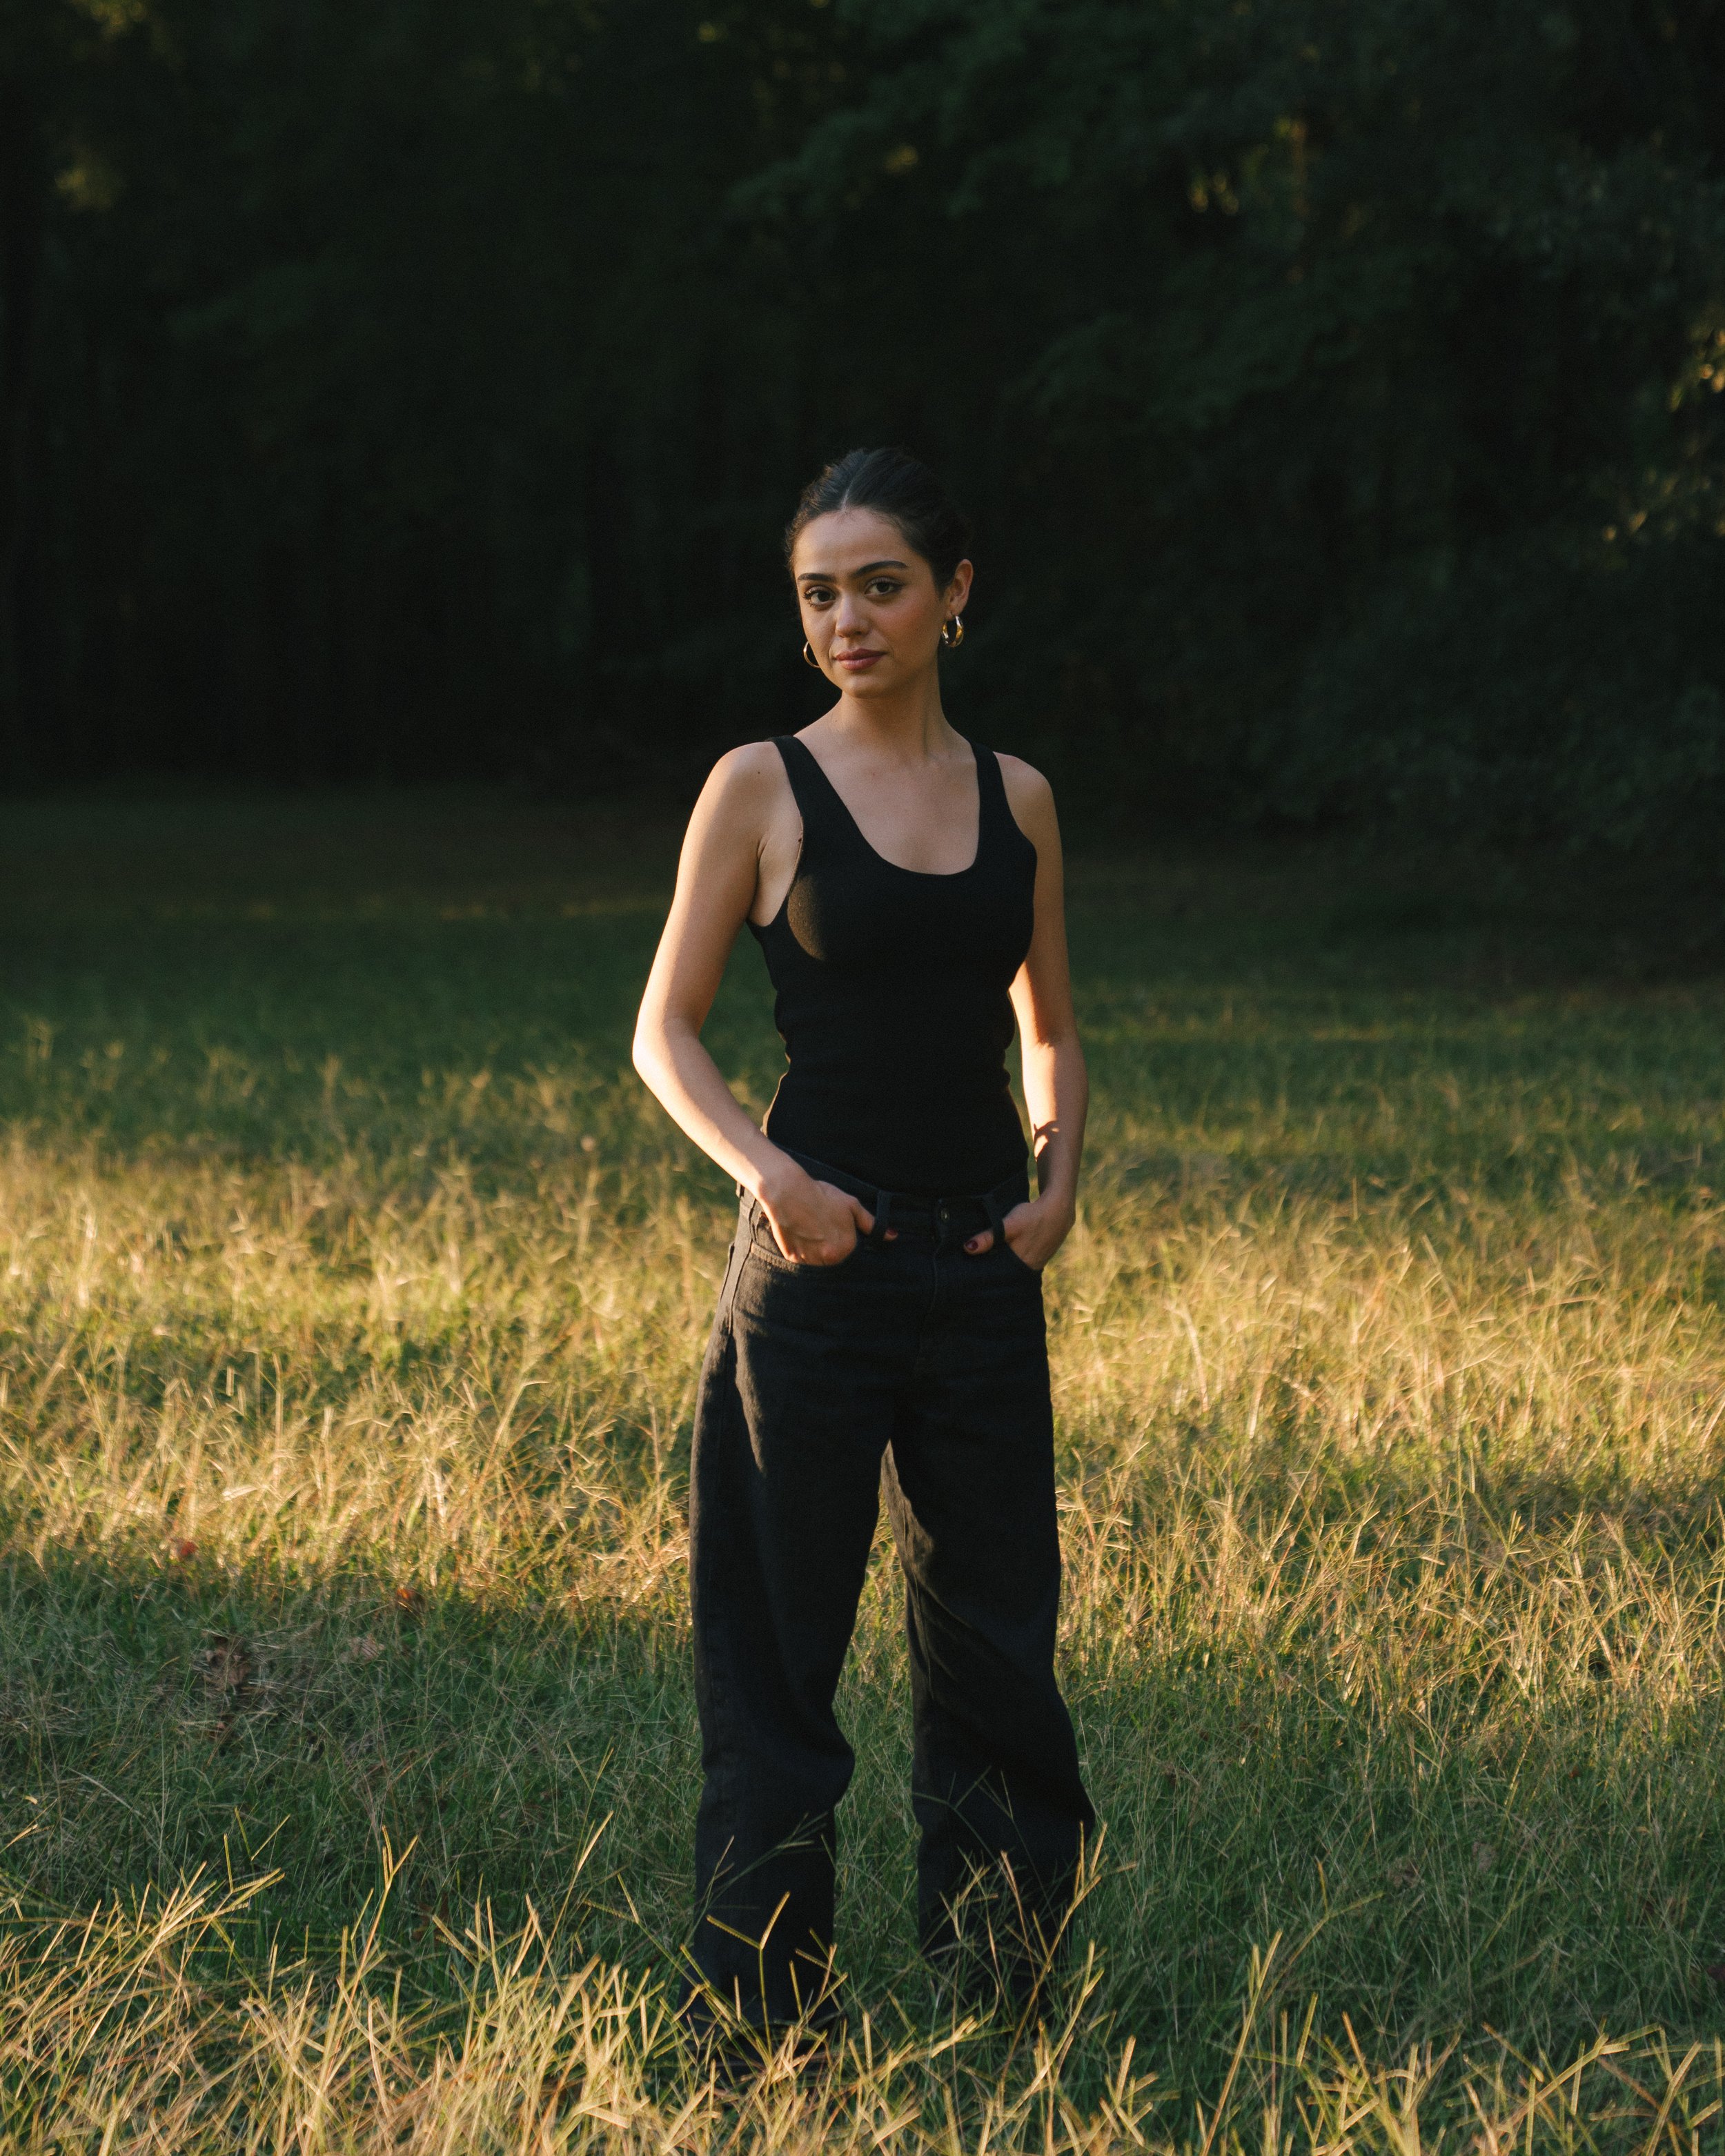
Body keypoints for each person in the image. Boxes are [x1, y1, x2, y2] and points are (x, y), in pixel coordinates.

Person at [632, 446, 1094, 2046]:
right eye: (819, 592)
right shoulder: (758, 786)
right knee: (774, 1666)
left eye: (879, 585)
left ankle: (1004, 2004)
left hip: (978, 1277)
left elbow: (1049, 1029)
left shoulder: (1015, 795)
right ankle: (763, 2030)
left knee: (996, 1660)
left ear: (953, 595)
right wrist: (773, 1180)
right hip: (814, 1282)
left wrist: (1058, 1176)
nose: (845, 618)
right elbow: (664, 1038)